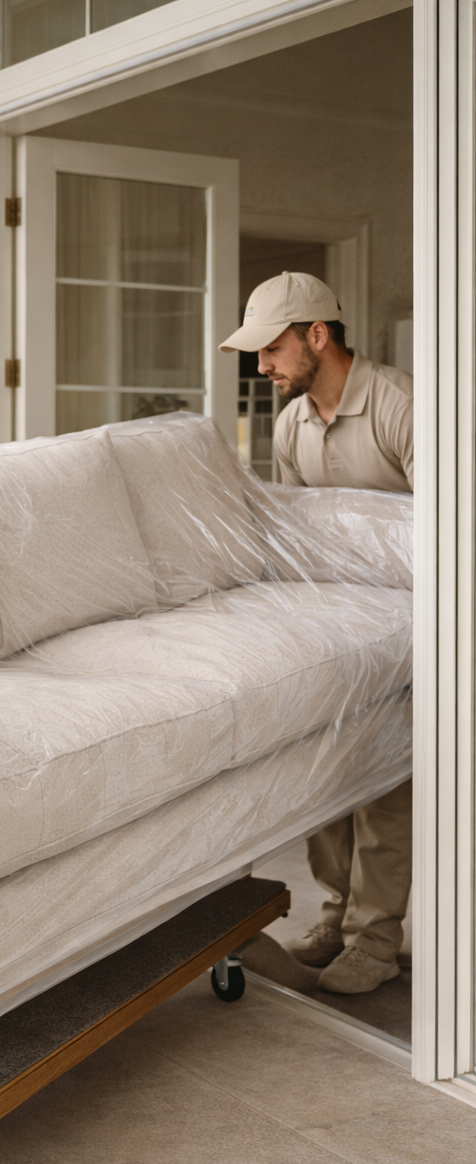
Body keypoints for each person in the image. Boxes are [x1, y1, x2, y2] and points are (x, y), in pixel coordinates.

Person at [221, 271, 413, 995]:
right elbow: (300, 540)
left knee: (387, 785)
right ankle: (335, 914)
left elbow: (449, 534)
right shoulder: (294, 422)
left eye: (271, 350)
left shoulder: (403, 406)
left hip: (408, 629)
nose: (262, 367)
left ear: (317, 335)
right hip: (335, 626)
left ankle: (375, 938)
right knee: (329, 774)